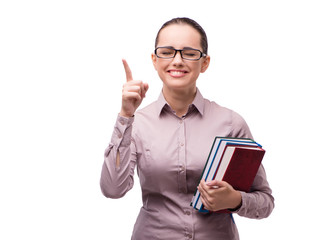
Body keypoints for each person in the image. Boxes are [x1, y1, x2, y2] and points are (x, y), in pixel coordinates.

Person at [100, 17, 274, 240]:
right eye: (167, 52)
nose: (177, 60)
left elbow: (265, 202)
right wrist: (125, 115)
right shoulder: (138, 123)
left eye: (189, 53)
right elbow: (113, 189)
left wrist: (235, 200)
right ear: (154, 60)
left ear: (205, 62)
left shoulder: (231, 123)